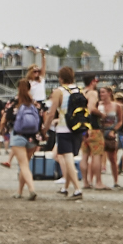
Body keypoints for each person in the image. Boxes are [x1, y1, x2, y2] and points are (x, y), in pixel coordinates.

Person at [42, 65, 84, 201]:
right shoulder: (79, 89)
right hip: (78, 128)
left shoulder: (59, 91)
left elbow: (52, 113)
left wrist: (45, 128)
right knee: (69, 157)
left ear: (60, 78)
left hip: (64, 128)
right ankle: (66, 188)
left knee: (68, 159)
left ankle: (77, 189)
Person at [0, 78, 39, 200]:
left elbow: (4, 119)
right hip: (33, 137)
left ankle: (32, 189)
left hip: (18, 135)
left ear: (17, 88)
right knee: (25, 164)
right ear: (30, 88)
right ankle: (19, 191)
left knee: (23, 165)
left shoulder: (13, 102)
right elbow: (42, 118)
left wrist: (1, 131)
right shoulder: (35, 103)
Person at [98, 87, 122, 188]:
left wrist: (114, 130)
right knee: (97, 157)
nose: (101, 94)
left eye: (103, 92)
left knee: (112, 158)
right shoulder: (97, 105)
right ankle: (96, 180)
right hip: (99, 132)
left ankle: (116, 181)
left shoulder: (117, 106)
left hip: (110, 133)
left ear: (109, 93)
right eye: (100, 92)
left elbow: (120, 120)